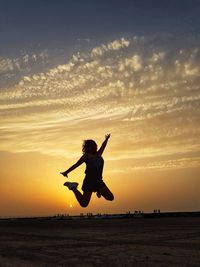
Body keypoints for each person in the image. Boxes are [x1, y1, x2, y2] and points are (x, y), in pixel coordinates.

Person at [60, 134, 114, 207]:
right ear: (88, 147)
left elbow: (103, 146)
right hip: (89, 181)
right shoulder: (86, 156)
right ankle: (73, 187)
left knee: (110, 197)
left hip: (99, 181)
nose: (95, 145)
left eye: (95, 144)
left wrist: (106, 139)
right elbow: (76, 165)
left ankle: (98, 190)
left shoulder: (98, 154)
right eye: (93, 145)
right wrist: (66, 172)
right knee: (84, 204)